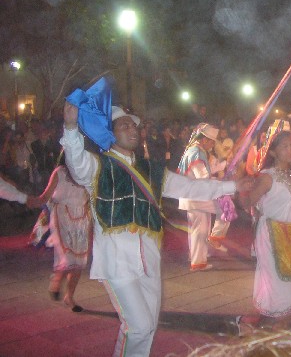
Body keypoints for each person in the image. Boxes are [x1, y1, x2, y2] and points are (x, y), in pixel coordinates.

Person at [60, 95, 251, 357]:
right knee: (138, 327)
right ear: (110, 133)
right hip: (117, 262)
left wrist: (233, 186)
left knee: (148, 326)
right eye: (124, 125)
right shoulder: (98, 166)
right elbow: (76, 163)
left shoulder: (151, 170)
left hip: (149, 258)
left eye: (134, 125)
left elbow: (190, 187)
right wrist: (71, 127)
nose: (132, 129)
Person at [238, 128, 291, 332]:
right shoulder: (267, 177)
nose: (290, 150)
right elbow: (247, 202)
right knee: (279, 287)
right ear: (273, 152)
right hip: (272, 236)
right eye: (285, 146)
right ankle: (268, 328)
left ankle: (277, 328)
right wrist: (239, 187)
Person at [36, 165, 91, 312]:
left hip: (81, 219)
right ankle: (57, 279)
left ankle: (69, 296)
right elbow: (46, 195)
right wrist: (29, 200)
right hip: (61, 217)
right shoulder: (60, 172)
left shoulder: (88, 170)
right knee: (67, 257)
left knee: (79, 260)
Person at [177, 123, 231, 271]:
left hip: (194, 196)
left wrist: (222, 165)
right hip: (196, 197)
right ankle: (213, 240)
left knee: (200, 228)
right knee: (226, 208)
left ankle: (198, 259)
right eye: (212, 141)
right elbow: (203, 177)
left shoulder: (194, 150)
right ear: (204, 140)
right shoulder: (196, 153)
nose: (213, 145)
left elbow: (206, 172)